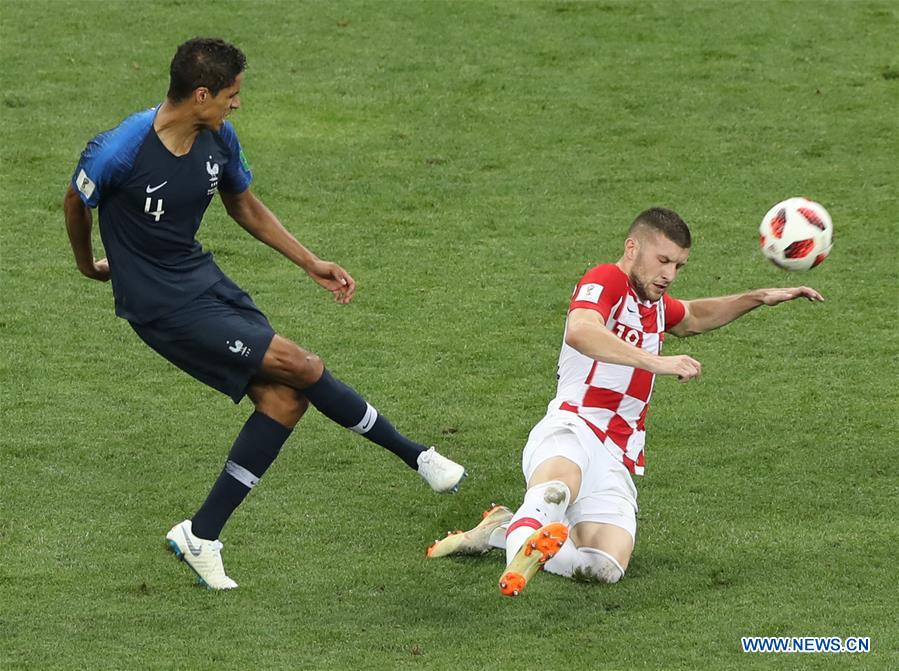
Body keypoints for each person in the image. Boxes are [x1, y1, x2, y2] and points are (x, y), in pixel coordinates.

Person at [64, 37, 466, 590]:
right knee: (300, 364)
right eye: (231, 94)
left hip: (204, 282)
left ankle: (200, 536)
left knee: (282, 401)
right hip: (160, 306)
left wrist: (310, 262)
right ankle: (416, 456)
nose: (237, 104)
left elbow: (243, 204)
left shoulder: (218, 138)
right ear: (201, 93)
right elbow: (74, 200)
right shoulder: (121, 150)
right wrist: (89, 267)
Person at [426, 207, 823, 596]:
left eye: (679, 266)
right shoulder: (608, 279)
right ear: (633, 248)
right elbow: (581, 331)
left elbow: (695, 316)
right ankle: (519, 562)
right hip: (573, 428)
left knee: (603, 568)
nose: (669, 274)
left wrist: (758, 297)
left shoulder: (651, 305)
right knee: (556, 492)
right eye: (663, 260)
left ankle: (502, 530)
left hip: (616, 454)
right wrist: (657, 362)